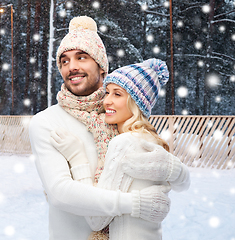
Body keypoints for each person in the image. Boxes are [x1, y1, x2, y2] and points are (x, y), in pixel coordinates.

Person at [29, 16, 185, 239]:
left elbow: (155, 175)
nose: (72, 67)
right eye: (64, 61)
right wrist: (136, 203)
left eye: (81, 57)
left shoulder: (119, 114)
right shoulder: (46, 122)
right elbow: (60, 193)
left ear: (102, 67)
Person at [50, 59, 190, 239]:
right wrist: (176, 170)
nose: (106, 101)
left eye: (117, 94)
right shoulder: (152, 141)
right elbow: (184, 183)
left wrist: (77, 158)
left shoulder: (124, 143)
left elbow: (96, 219)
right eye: (107, 92)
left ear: (136, 103)